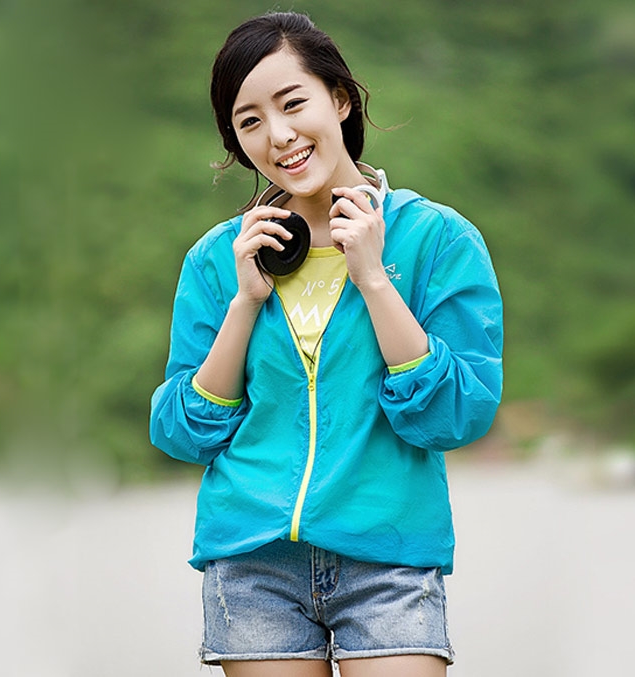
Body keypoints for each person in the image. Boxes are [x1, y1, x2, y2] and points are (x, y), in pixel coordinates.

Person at [150, 11, 503, 677]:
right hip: (253, 563)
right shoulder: (218, 258)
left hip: (390, 556)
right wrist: (244, 302)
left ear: (339, 99)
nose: (278, 135)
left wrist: (373, 279)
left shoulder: (437, 239)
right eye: (250, 120)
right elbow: (182, 431)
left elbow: (456, 414)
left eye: (292, 104)